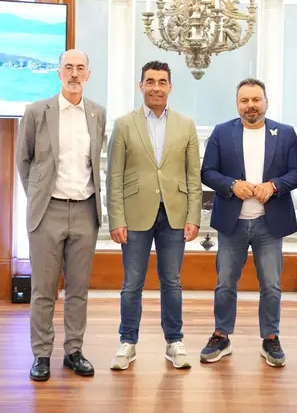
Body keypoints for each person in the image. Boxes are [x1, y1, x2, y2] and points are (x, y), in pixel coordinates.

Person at [198, 78, 297, 367]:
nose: (251, 105)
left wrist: (274, 185)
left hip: (270, 224)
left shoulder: (285, 133)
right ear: (237, 104)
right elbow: (207, 172)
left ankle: (270, 338)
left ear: (266, 102)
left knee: (271, 285)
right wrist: (232, 185)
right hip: (232, 224)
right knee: (225, 283)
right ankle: (221, 335)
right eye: (245, 100)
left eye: (256, 100)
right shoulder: (222, 132)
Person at [15, 48, 106, 382]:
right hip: (48, 211)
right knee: (43, 289)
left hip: (85, 210)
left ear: (88, 74)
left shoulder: (97, 113)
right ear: (58, 73)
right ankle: (41, 354)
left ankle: (74, 351)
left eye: (80, 68)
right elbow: (24, 160)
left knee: (78, 289)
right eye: (68, 67)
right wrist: (38, 197)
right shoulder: (37, 112)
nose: (74, 73)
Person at [106, 60, 203, 370]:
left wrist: (194, 216)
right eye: (150, 81)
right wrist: (116, 219)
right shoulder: (124, 124)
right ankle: (127, 342)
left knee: (171, 281)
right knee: (132, 282)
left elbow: (193, 175)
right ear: (141, 86)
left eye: (162, 82)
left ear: (170, 87)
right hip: (135, 213)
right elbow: (114, 176)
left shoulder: (186, 124)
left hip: (174, 214)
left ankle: (174, 342)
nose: (156, 87)